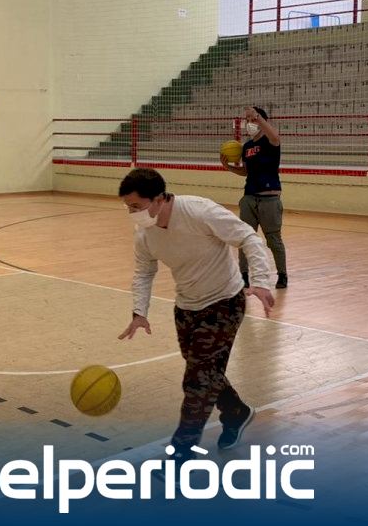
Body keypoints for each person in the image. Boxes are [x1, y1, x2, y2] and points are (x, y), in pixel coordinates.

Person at [118, 168, 276, 470]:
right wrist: (139, 312)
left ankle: (181, 453)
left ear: (159, 199)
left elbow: (248, 237)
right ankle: (237, 412)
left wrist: (260, 280)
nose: (132, 213)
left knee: (197, 381)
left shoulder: (200, 211)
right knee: (205, 372)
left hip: (224, 303)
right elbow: (144, 272)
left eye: (136, 206)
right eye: (128, 207)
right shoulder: (145, 234)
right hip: (186, 308)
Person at [220, 106, 288, 289]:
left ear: (261, 121)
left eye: (252, 120)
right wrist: (229, 167)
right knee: (245, 238)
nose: (249, 123)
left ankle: (282, 274)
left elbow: (275, 136)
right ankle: (244, 275)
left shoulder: (270, 141)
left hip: (270, 199)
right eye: (247, 120)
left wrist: (258, 117)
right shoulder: (247, 147)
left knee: (273, 239)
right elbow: (246, 171)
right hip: (249, 197)